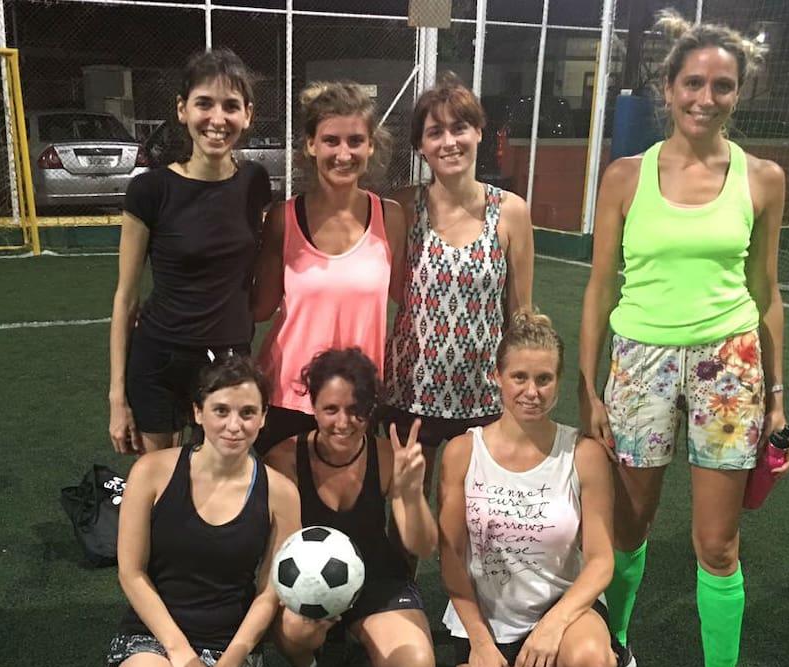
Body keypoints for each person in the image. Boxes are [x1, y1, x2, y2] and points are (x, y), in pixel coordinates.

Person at [578, 10, 789, 667]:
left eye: (723, 86)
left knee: (717, 543)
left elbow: (767, 292)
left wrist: (776, 395)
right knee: (631, 530)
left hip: (729, 367)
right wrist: (590, 387)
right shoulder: (625, 177)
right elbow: (601, 286)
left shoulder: (762, 178)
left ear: (740, 94)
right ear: (667, 88)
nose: (707, 97)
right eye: (693, 82)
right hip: (638, 362)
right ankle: (614, 652)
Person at [107, 356, 300, 667]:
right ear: (198, 412)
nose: (234, 425)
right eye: (221, 411)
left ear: (264, 418)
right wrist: (180, 654)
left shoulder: (281, 494)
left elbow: (270, 592)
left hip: (230, 644)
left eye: (248, 413)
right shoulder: (152, 472)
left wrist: (229, 664)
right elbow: (131, 573)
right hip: (157, 637)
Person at [437, 309, 617, 667]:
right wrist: (479, 641)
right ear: (496, 376)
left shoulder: (583, 454)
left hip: (563, 615)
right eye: (519, 377)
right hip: (487, 621)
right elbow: (452, 560)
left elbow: (600, 560)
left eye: (544, 379)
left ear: (558, 382)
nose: (531, 392)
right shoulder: (462, 453)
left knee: (594, 664)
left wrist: (552, 627)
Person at [264, 347, 437, 667]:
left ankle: (361, 640)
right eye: (331, 409)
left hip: (376, 577)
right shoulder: (285, 459)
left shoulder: (387, 457)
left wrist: (410, 493)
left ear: (370, 410)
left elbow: (422, 546)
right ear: (313, 405)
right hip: (312, 585)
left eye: (356, 410)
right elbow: (279, 555)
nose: (343, 422)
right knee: (296, 629)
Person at [110, 48, 271, 455]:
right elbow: (126, 299)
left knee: (220, 486)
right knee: (162, 486)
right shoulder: (150, 190)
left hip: (228, 361)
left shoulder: (256, 183)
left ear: (247, 115)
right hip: (159, 360)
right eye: (204, 103)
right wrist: (117, 398)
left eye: (231, 106)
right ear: (182, 109)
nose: (217, 119)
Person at [384, 74, 535, 487]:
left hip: (482, 394)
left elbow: (520, 311)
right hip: (409, 389)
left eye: (460, 128)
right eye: (435, 132)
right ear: (420, 145)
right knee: (405, 508)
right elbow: (389, 292)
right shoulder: (402, 208)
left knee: (473, 517)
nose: (449, 142)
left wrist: (522, 383)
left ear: (479, 133)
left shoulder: (510, 212)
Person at [251, 81, 406, 454]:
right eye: (331, 140)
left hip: (356, 402)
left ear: (371, 145)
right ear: (310, 145)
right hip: (288, 395)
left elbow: (406, 299)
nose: (343, 153)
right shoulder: (282, 218)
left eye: (355, 141)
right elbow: (259, 308)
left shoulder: (392, 217)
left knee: (348, 510)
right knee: (283, 509)